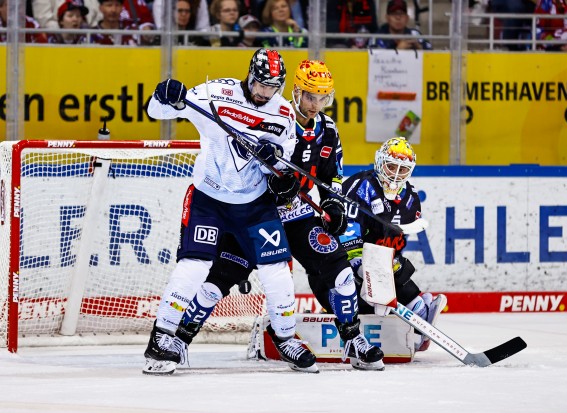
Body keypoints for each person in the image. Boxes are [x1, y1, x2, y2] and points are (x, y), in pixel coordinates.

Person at [162, 59, 385, 372]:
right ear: (295, 91)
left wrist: (333, 204)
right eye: (309, 96)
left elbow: (333, 174)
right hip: (257, 214)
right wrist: (274, 182)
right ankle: (179, 341)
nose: (316, 104)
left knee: (342, 274)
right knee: (216, 282)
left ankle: (351, 339)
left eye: (323, 98)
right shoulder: (274, 115)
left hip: (301, 217)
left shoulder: (329, 129)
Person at [143, 48, 319, 375]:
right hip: (208, 200)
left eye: (272, 87)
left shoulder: (283, 114)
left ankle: (284, 337)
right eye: (261, 84)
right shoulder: (214, 93)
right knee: (194, 267)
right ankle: (161, 337)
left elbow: (282, 169)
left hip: (254, 205)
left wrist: (276, 167)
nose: (265, 93)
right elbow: (156, 112)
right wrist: (164, 96)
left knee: (276, 271)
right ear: (250, 76)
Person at [331, 136, 447, 352]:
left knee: (399, 270)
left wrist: (388, 265)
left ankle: (419, 309)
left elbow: (397, 240)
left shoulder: (411, 197)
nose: (395, 173)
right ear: (380, 162)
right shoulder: (362, 186)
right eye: (391, 165)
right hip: (348, 257)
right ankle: (343, 313)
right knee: (347, 282)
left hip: (379, 259)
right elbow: (347, 230)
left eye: (402, 169)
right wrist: (357, 263)